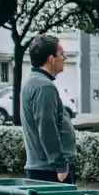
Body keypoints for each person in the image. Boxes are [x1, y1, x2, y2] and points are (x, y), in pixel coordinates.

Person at [21, 36, 76, 184]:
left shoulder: (34, 82)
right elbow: (47, 128)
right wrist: (61, 165)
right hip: (50, 171)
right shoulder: (44, 87)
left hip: (43, 168)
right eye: (62, 55)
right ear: (51, 59)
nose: (64, 58)